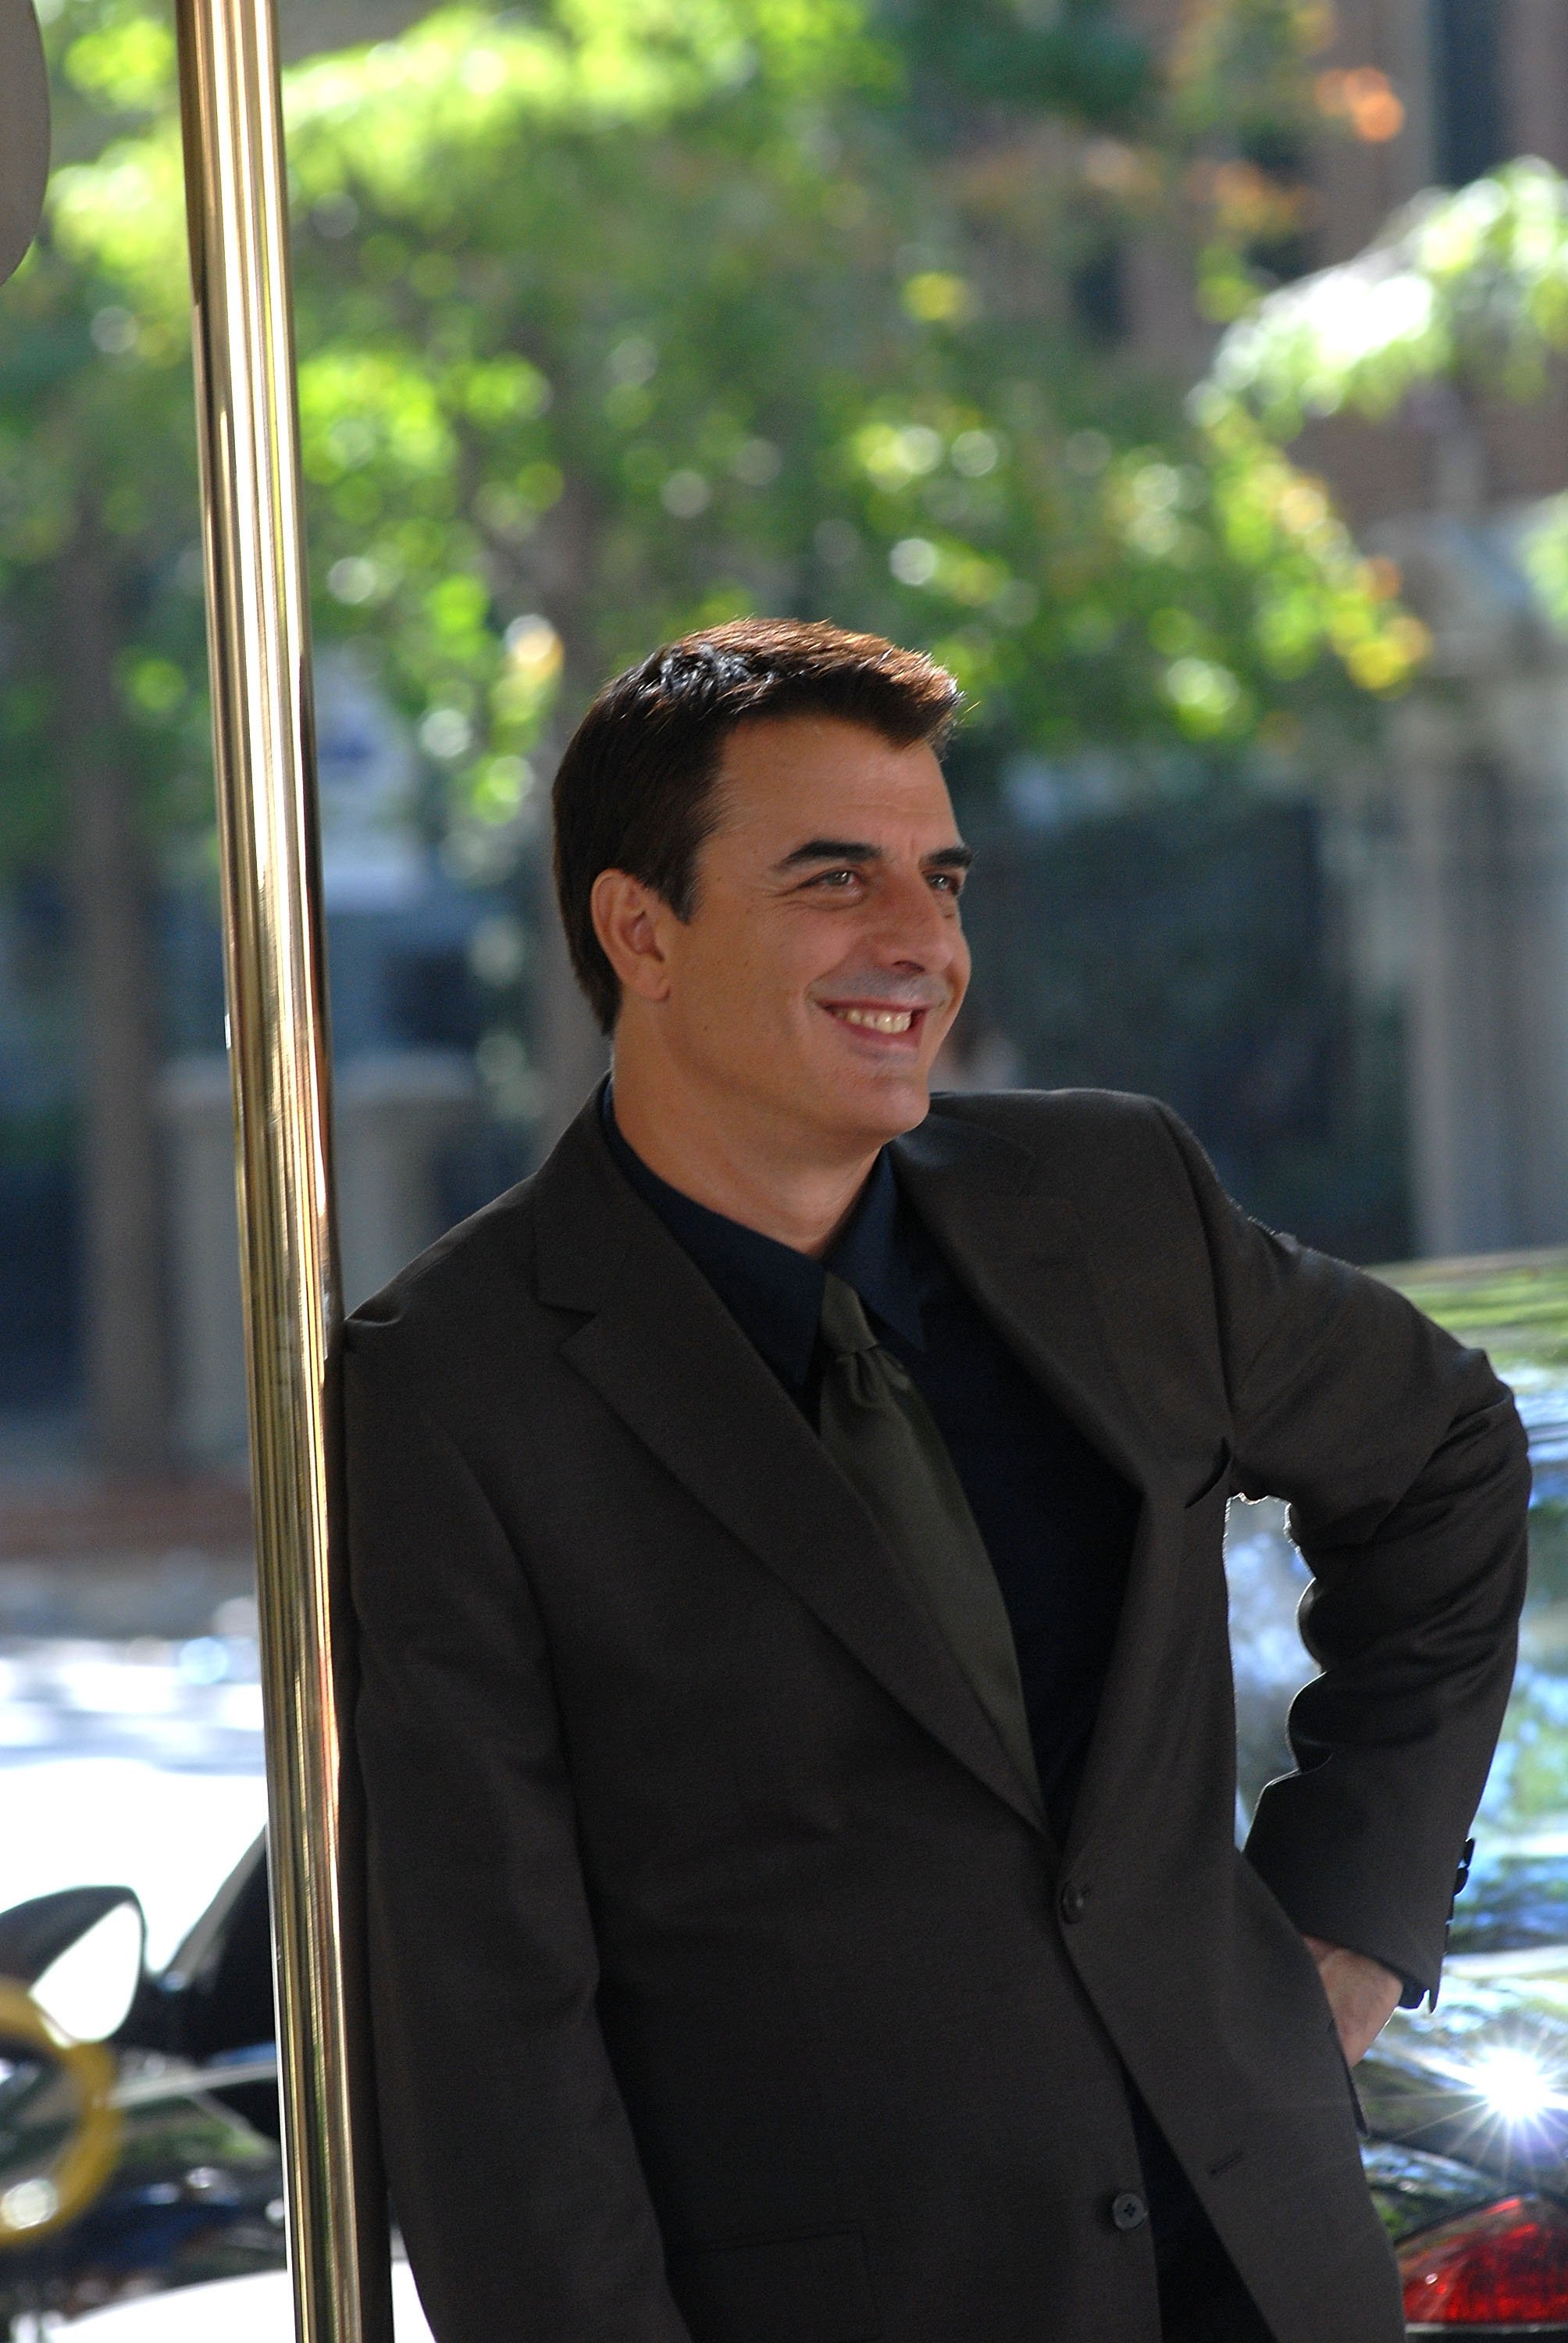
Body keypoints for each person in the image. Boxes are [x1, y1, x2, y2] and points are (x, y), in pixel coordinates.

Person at [344, 617, 1529, 2343]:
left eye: (942, 880)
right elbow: (492, 2050)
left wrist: (1351, 1907)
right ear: (640, 930)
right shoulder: (454, 1383)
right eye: (836, 878)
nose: (919, 941)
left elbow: (1446, 1455)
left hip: (1268, 2276)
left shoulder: (1116, 1204)